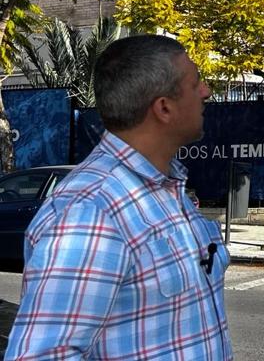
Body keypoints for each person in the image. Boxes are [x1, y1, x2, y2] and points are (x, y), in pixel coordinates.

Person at [5, 35, 232, 360]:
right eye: (196, 83)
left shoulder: (166, 188)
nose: (206, 91)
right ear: (164, 107)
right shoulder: (91, 210)